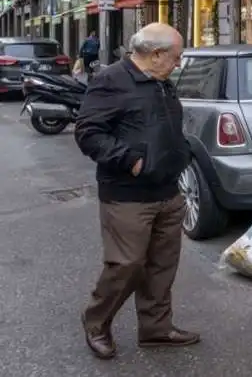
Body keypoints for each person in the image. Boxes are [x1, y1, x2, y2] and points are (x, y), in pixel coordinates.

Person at [74, 23, 199, 359]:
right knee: (126, 264)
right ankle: (96, 322)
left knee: (162, 265)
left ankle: (156, 329)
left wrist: (180, 155)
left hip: (168, 191)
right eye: (176, 56)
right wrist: (132, 162)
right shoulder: (111, 80)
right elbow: (88, 133)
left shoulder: (162, 82)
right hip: (127, 195)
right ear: (156, 54)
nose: (179, 63)